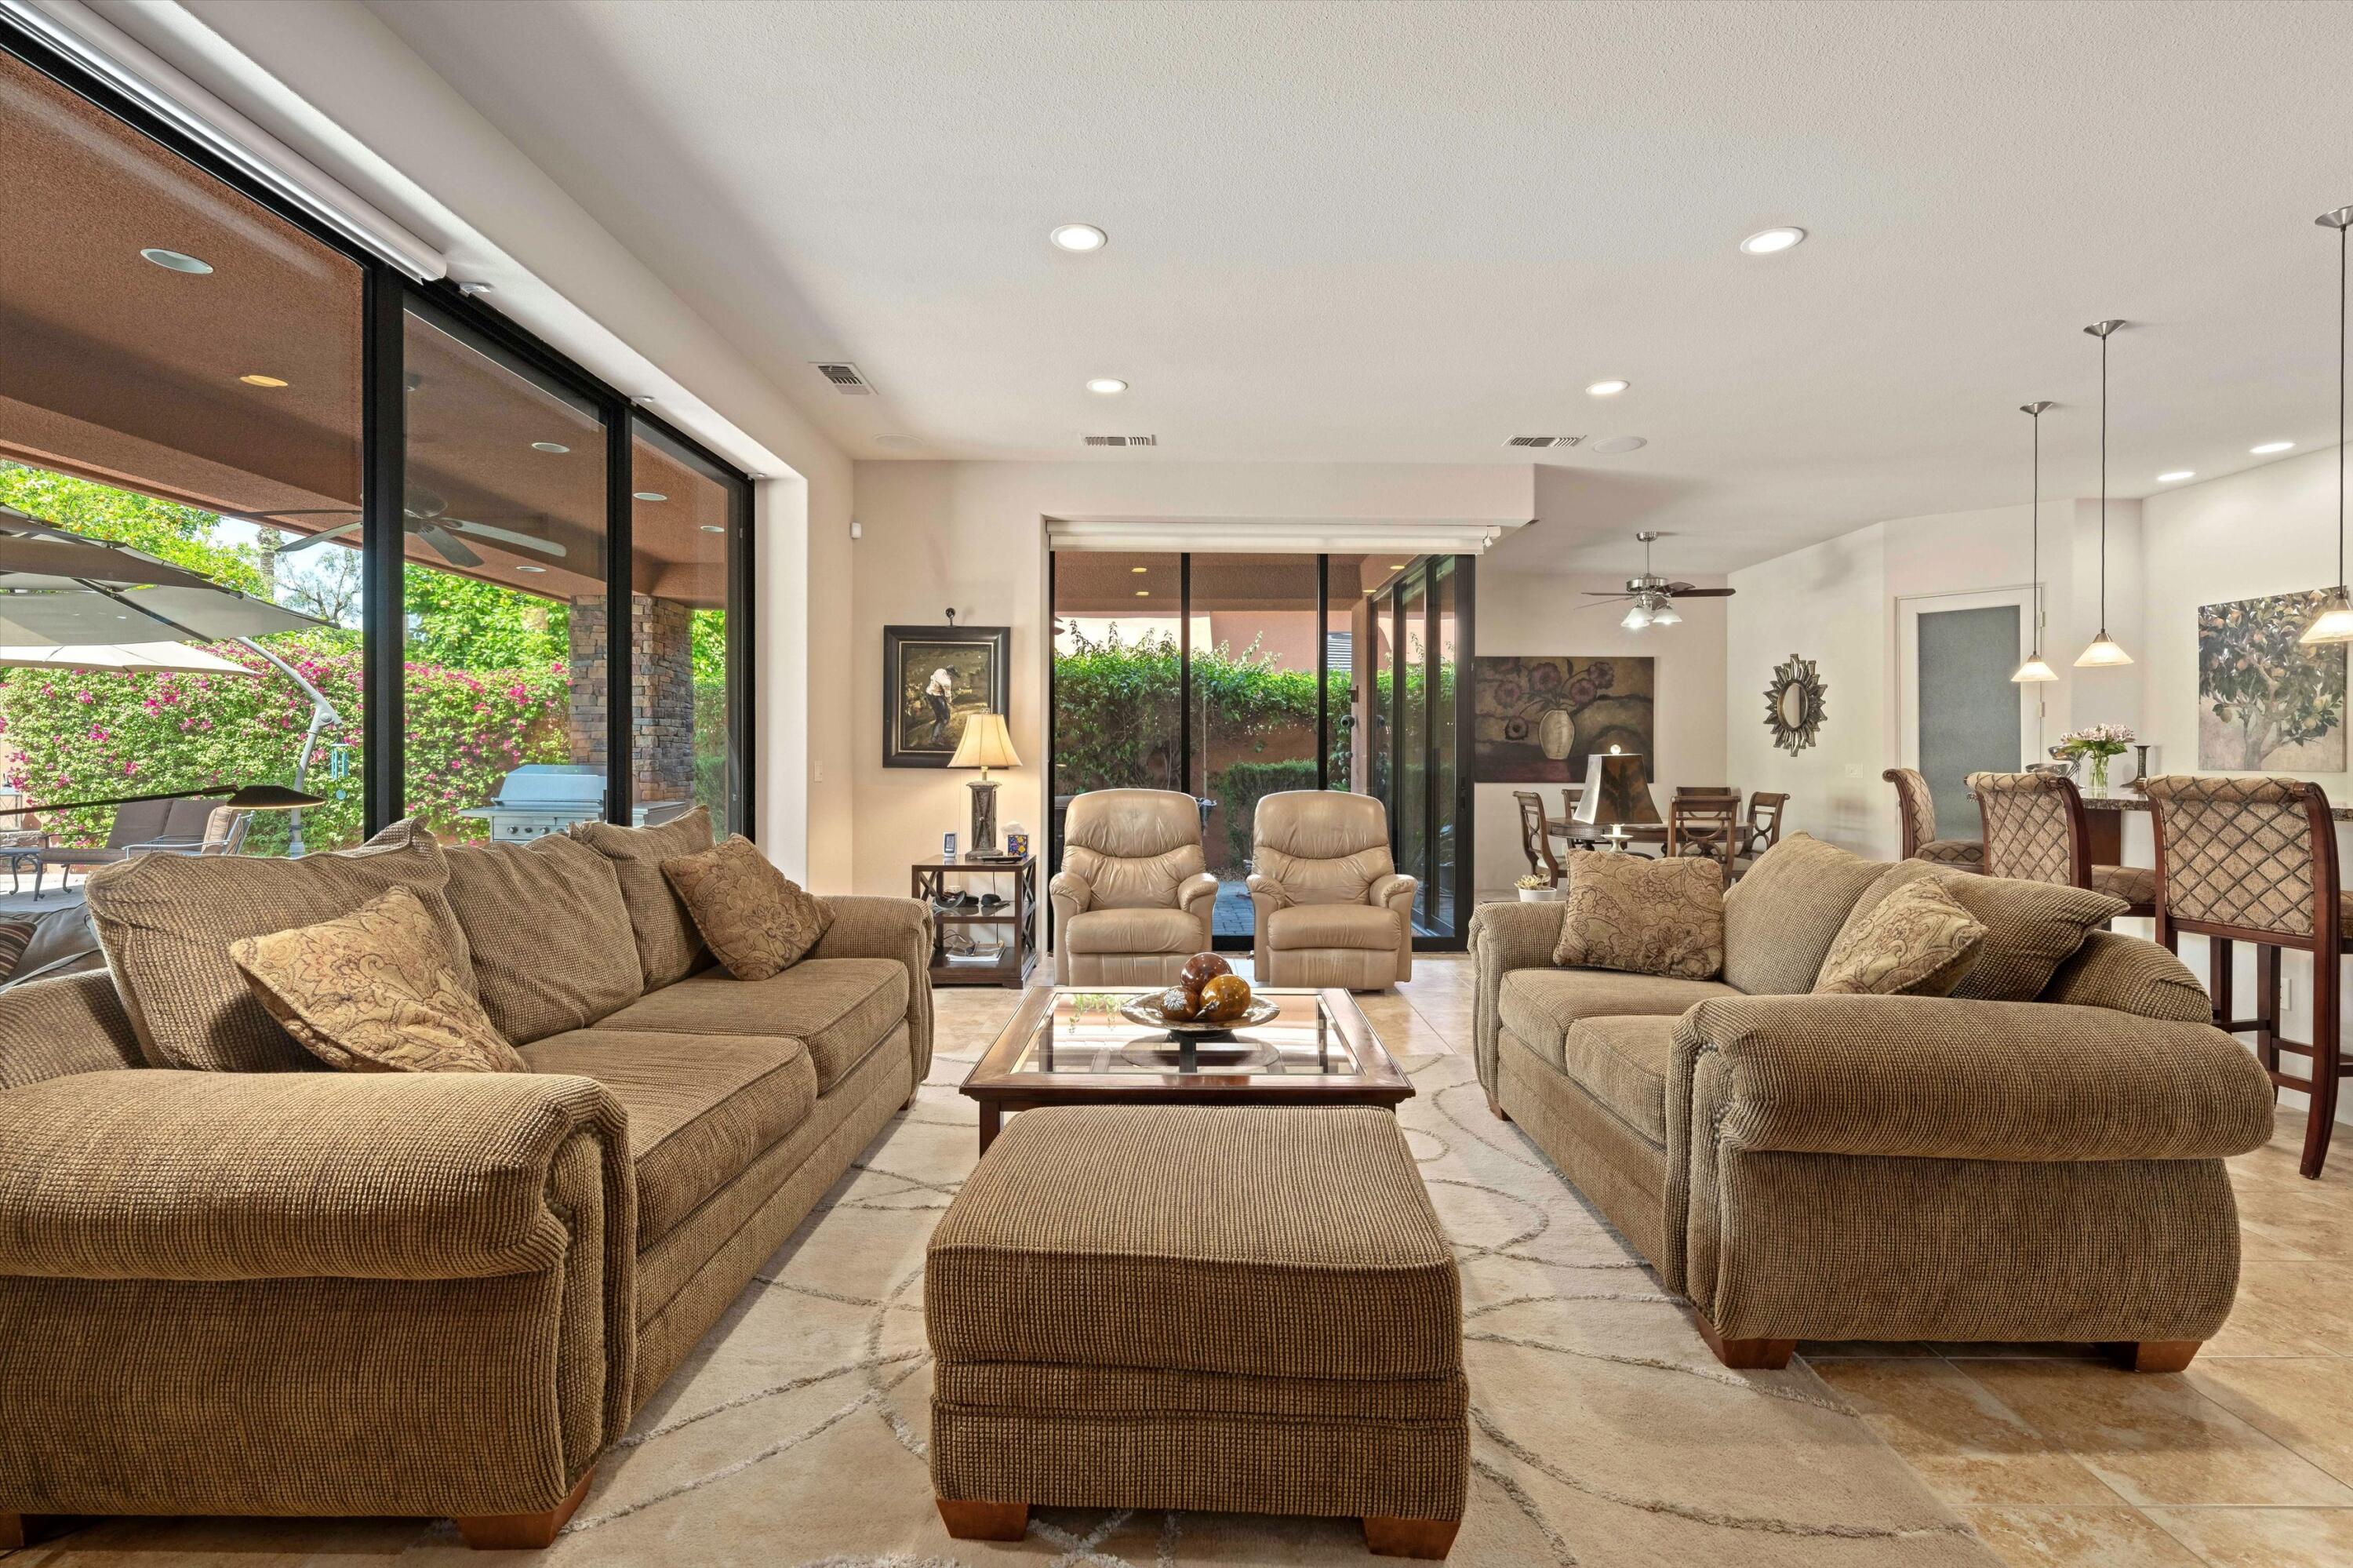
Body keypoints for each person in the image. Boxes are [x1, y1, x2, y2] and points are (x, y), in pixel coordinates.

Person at [925, 667, 957, 746]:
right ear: (950, 673)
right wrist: (950, 702)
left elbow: (931, 677)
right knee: (946, 718)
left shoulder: (939, 670)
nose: (953, 677)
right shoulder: (947, 682)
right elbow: (948, 695)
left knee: (939, 717)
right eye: (953, 675)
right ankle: (935, 738)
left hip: (929, 693)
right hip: (937, 697)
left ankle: (935, 736)